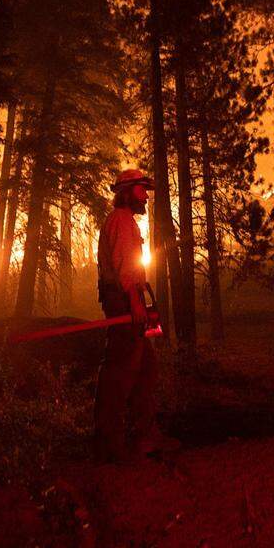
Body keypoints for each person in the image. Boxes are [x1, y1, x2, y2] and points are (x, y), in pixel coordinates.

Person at [93, 169, 179, 462]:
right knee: (120, 371)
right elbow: (124, 264)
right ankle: (110, 444)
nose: (146, 195)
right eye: (142, 190)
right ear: (127, 192)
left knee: (145, 369)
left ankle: (143, 436)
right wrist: (134, 300)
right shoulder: (121, 221)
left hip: (129, 299)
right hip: (124, 302)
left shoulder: (124, 221)